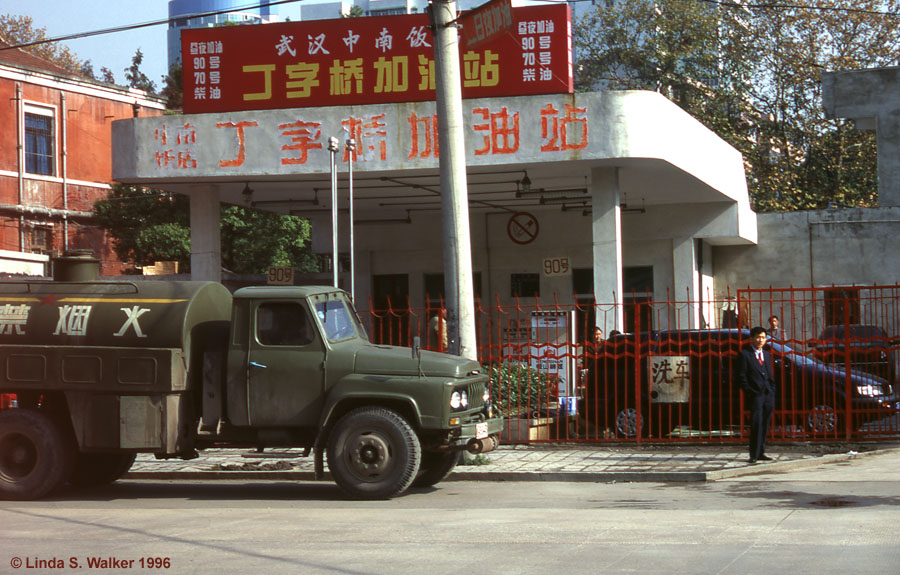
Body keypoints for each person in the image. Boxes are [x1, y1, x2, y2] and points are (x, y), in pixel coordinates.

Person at [736, 326, 776, 463]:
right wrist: (750, 391)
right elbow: (741, 377)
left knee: (765, 424)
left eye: (763, 337)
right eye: (758, 337)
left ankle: (761, 452)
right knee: (756, 424)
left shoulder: (766, 354)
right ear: (752, 339)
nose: (760, 340)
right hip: (755, 395)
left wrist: (772, 389)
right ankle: (753, 454)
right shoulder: (745, 355)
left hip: (767, 394)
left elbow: (770, 374)